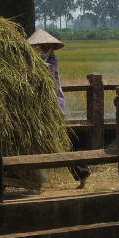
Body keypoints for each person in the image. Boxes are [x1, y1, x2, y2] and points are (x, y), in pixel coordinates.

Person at [27, 30, 91, 187]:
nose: (41, 49)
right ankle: (34, 174)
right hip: (40, 108)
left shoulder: (50, 64)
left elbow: (45, 78)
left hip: (52, 108)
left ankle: (81, 171)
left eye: (43, 46)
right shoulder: (36, 62)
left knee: (60, 142)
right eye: (38, 47)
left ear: (49, 48)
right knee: (46, 141)